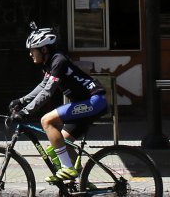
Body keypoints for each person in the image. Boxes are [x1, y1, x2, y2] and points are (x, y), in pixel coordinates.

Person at [9, 22, 108, 183]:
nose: (30, 54)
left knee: (46, 120)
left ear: (44, 49)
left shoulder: (59, 61)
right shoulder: (50, 63)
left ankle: (67, 169)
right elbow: (42, 86)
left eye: (32, 50)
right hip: (85, 103)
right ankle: (84, 183)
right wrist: (21, 101)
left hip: (93, 101)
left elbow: (48, 92)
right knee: (59, 145)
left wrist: (25, 112)